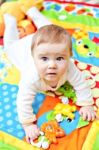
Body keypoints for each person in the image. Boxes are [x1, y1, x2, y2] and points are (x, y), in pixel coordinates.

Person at [4, 7, 96, 144]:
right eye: (44, 59)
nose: (52, 65)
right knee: (9, 47)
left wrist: (86, 104)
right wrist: (28, 124)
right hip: (22, 49)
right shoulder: (31, 77)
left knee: (52, 31)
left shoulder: (70, 67)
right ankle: (10, 21)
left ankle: (34, 13)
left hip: (43, 46)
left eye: (59, 58)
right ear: (34, 58)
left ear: (69, 56)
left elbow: (81, 84)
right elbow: (23, 101)